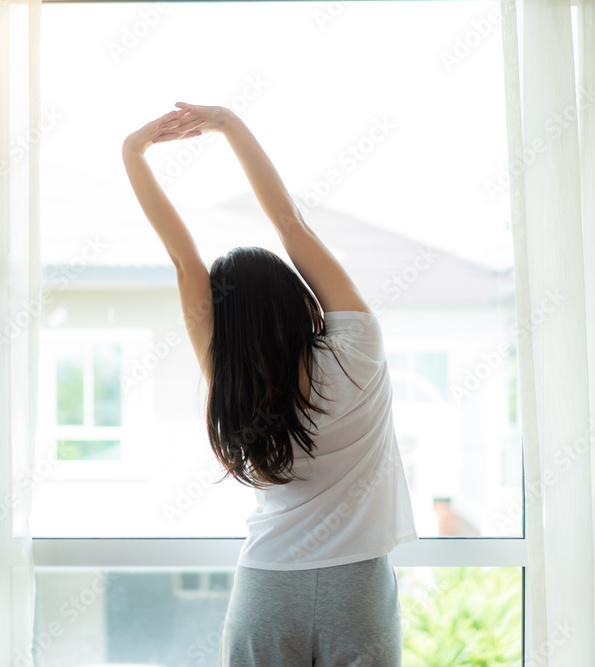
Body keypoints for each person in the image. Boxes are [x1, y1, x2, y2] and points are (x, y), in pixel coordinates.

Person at [122, 103, 418, 667]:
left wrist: (132, 153)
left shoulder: (229, 377)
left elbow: (186, 265)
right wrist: (228, 124)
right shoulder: (359, 349)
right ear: (296, 299)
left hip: (266, 585)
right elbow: (291, 226)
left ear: (227, 326)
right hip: (356, 589)